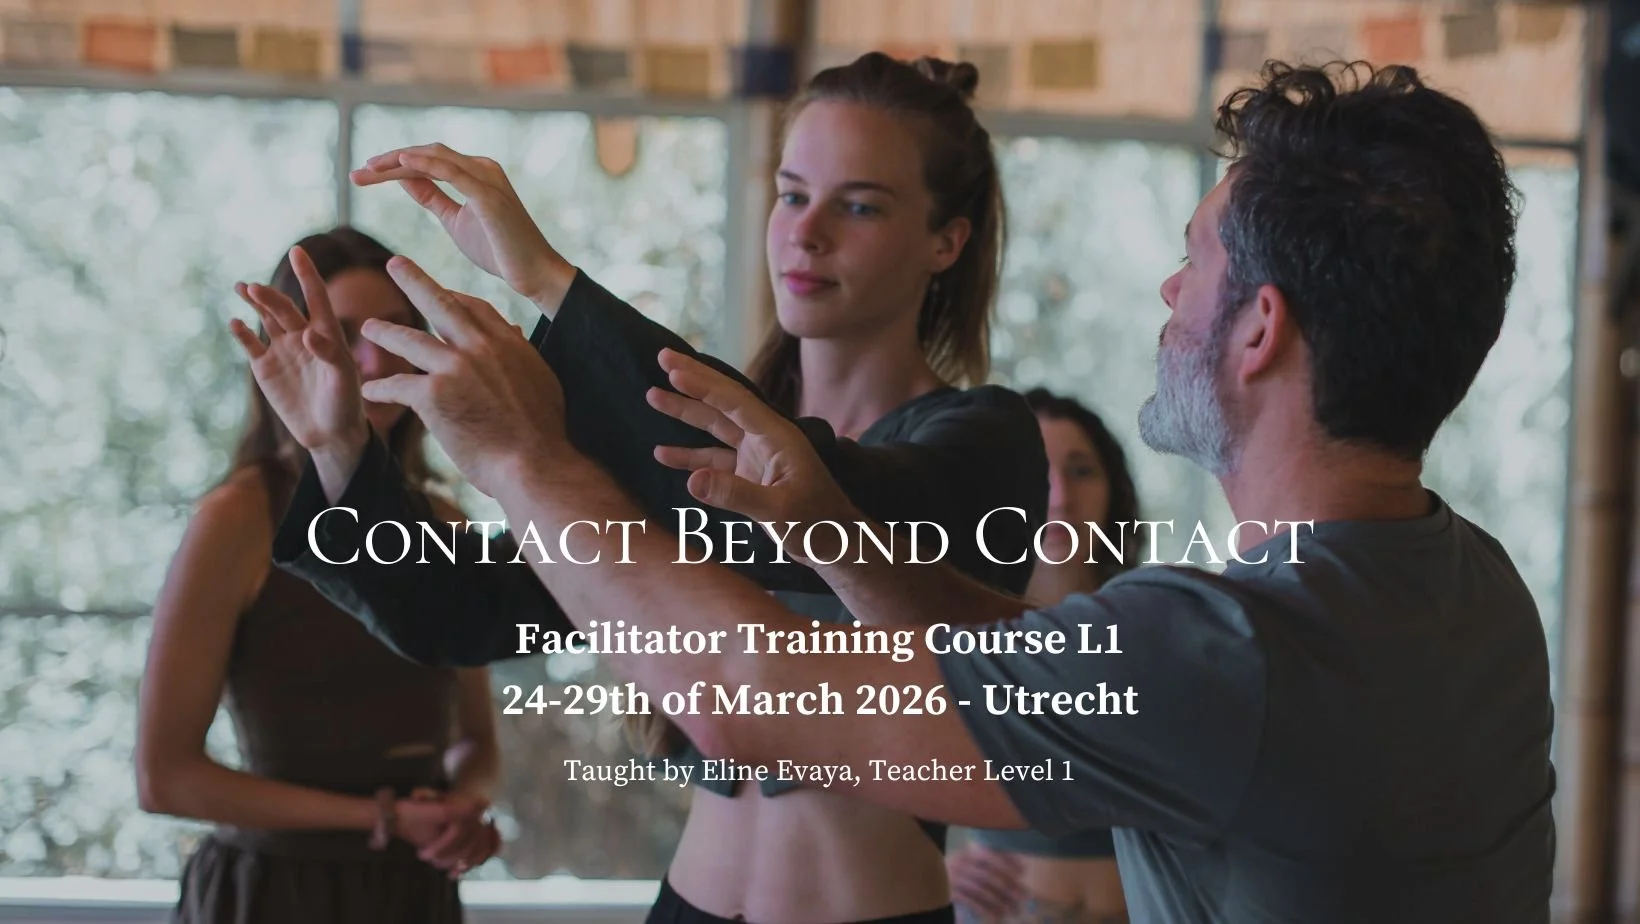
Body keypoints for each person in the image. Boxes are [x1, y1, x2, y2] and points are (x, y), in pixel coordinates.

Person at [299, 59, 1554, 923]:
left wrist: (521, 457)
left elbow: (743, 690)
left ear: (1259, 330)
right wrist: (837, 541)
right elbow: (1035, 659)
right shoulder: (1472, 591)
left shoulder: (1209, 641)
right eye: (791, 196)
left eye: (1193, 264)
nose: (1170, 295)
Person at [252, 54, 1048, 924]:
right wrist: (339, 449)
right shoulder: (672, 457)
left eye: (860, 205)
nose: (807, 232)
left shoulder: (980, 441)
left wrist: (548, 281)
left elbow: (822, 510)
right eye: (791, 195)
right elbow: (463, 610)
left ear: (946, 241)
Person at [135, 228, 502, 924]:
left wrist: (463, 808)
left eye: (392, 331)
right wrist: (382, 817)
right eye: (344, 334)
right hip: (274, 896)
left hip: (412, 894)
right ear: (289, 350)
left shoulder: (447, 522)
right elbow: (164, 778)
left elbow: (477, 742)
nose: (373, 358)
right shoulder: (239, 519)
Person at [947, 389, 1138, 924]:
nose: (1060, 494)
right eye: (1037, 472)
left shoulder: (1156, 626)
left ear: (1113, 490)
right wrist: (927, 872)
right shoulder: (953, 633)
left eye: (1081, 471)